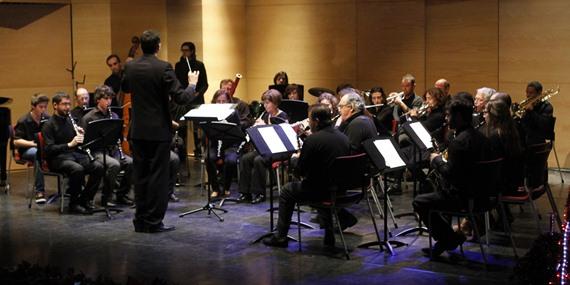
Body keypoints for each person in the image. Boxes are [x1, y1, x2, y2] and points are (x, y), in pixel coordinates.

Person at [121, 30, 199, 233]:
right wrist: (192, 84)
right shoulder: (164, 67)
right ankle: (154, 222)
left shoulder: (130, 66)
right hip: (158, 132)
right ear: (158, 46)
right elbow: (181, 98)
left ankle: (140, 221)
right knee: (158, 177)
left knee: (140, 176)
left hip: (137, 131)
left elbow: (125, 86)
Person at [262, 104, 350, 248]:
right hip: (341, 190)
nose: (308, 123)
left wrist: (296, 159)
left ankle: (280, 237)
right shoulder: (343, 137)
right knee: (323, 184)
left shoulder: (313, 140)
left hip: (321, 191)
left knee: (286, 191)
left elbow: (300, 172)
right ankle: (329, 236)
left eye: (309, 120)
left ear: (316, 120)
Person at [413, 96, 491, 257]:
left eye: (449, 115)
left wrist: (436, 160)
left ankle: (449, 240)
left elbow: (450, 174)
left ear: (460, 117)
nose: (446, 119)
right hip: (483, 196)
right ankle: (447, 239)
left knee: (420, 202)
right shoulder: (481, 137)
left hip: (464, 197)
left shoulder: (459, 142)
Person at [41, 92, 104, 215]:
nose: (67, 107)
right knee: (77, 169)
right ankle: (73, 204)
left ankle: (84, 200)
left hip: (74, 155)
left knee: (98, 167)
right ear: (55, 105)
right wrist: (69, 145)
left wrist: (81, 135)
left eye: (69, 104)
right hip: (57, 159)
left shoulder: (71, 121)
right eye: (64, 104)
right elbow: (49, 149)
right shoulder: (48, 125)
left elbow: (78, 144)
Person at [80, 85, 134, 207]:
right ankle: (106, 197)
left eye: (110, 98)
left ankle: (122, 194)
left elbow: (118, 138)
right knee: (114, 165)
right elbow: (84, 141)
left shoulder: (114, 116)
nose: (109, 101)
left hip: (112, 150)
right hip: (96, 151)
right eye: (106, 98)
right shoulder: (89, 118)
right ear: (98, 99)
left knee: (131, 163)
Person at [238, 89, 289, 204]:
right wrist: (255, 129)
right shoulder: (265, 115)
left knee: (258, 160)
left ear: (275, 103)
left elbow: (280, 137)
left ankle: (259, 193)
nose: (265, 105)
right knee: (245, 158)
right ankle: (245, 193)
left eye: (268, 103)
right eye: (264, 103)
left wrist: (264, 126)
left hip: (279, 149)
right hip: (266, 149)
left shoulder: (282, 116)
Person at [173, 42, 209, 160]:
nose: (184, 53)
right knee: (181, 125)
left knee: (197, 128)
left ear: (192, 51)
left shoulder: (199, 65)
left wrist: (197, 93)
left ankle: (198, 150)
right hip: (183, 100)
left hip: (196, 99)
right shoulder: (178, 65)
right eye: (182, 50)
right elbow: (176, 83)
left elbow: (205, 84)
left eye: (186, 50)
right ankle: (182, 151)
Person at [206, 89, 243, 198]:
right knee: (209, 158)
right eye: (218, 101)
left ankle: (226, 187)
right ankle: (216, 188)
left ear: (228, 101)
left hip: (231, 144)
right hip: (215, 144)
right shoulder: (210, 112)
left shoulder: (233, 112)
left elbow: (238, 131)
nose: (221, 104)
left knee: (231, 161)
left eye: (224, 101)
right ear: (214, 102)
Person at [13, 94, 50, 204]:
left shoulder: (47, 118)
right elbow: (16, 141)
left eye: (45, 107)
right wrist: (33, 144)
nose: (43, 109)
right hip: (26, 151)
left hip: (44, 149)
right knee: (37, 154)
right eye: (41, 107)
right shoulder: (24, 120)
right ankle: (40, 191)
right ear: (33, 106)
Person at [518, 81, 554, 145]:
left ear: (539, 93)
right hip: (525, 138)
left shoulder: (547, 107)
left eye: (531, 93)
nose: (528, 95)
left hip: (538, 140)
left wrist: (532, 112)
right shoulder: (526, 105)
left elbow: (544, 125)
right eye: (527, 92)